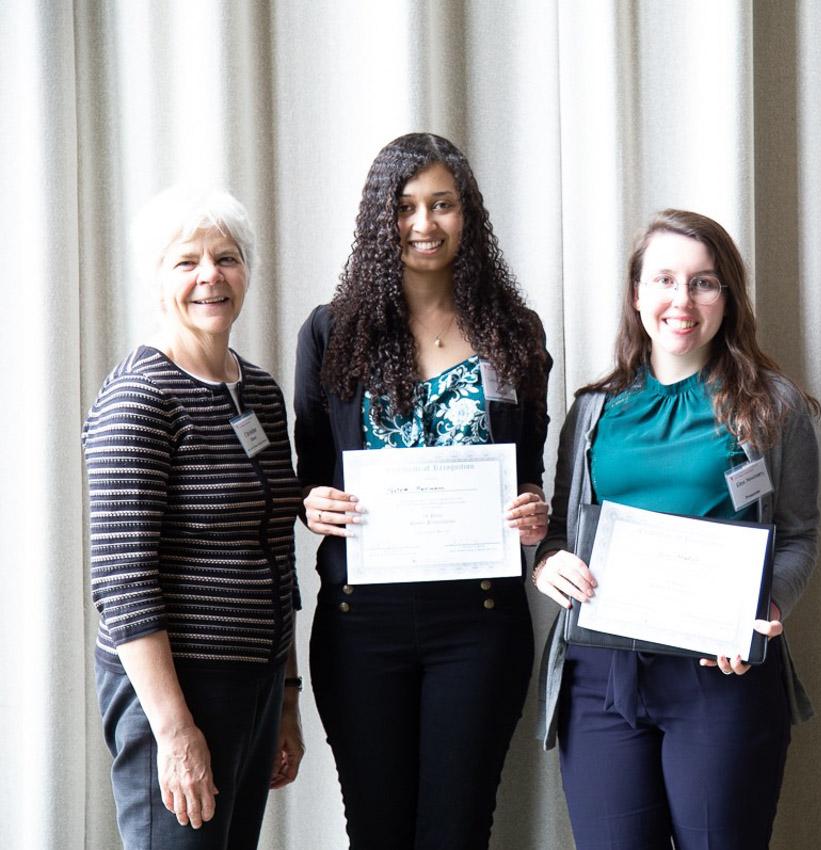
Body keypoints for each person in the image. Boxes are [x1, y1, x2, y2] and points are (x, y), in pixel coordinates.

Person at [293, 132, 552, 848]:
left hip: (479, 621)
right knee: (376, 831)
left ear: (468, 215)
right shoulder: (331, 332)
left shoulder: (514, 333)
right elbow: (309, 463)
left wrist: (533, 507)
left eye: (442, 204)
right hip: (360, 623)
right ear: (381, 219)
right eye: (405, 206)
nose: (424, 223)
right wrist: (311, 502)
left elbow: (530, 465)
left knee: (457, 831)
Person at [532, 209, 820, 850]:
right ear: (637, 296)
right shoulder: (591, 410)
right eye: (663, 280)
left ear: (728, 297)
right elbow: (557, 530)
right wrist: (548, 563)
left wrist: (765, 604)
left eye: (703, 282)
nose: (681, 301)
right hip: (599, 676)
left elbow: (800, 535)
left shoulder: (772, 406)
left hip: (721, 673)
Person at [83, 186, 305, 849]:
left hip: (256, 681)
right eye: (187, 261)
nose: (211, 275)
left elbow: (277, 551)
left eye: (227, 258)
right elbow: (124, 586)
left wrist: (287, 697)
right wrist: (175, 733)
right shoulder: (140, 397)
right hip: (175, 690)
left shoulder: (259, 392)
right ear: (157, 280)